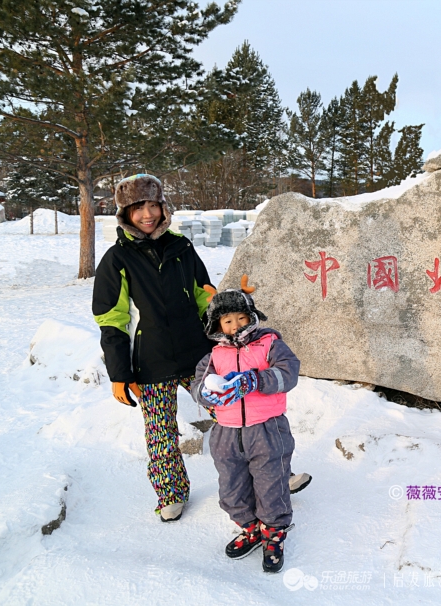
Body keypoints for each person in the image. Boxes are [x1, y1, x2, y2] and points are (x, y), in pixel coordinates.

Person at [93, 174, 214, 522]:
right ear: (125, 214)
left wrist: (229, 321)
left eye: (153, 205)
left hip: (196, 355)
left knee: (235, 413)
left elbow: (205, 297)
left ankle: (266, 472)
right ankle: (171, 493)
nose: (147, 214)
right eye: (137, 208)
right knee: (161, 436)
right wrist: (120, 373)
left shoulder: (182, 248)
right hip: (150, 362)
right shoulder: (117, 259)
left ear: (164, 208)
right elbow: (111, 321)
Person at [190, 283, 300, 573]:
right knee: (231, 489)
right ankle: (250, 528)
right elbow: (198, 384)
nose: (235, 324)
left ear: (251, 316)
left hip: (266, 430)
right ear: (218, 325)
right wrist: (206, 394)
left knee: (271, 484)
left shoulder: (270, 344)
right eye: (228, 320)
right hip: (226, 433)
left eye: (240, 317)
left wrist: (256, 380)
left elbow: (289, 371)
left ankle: (274, 534)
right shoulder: (214, 356)